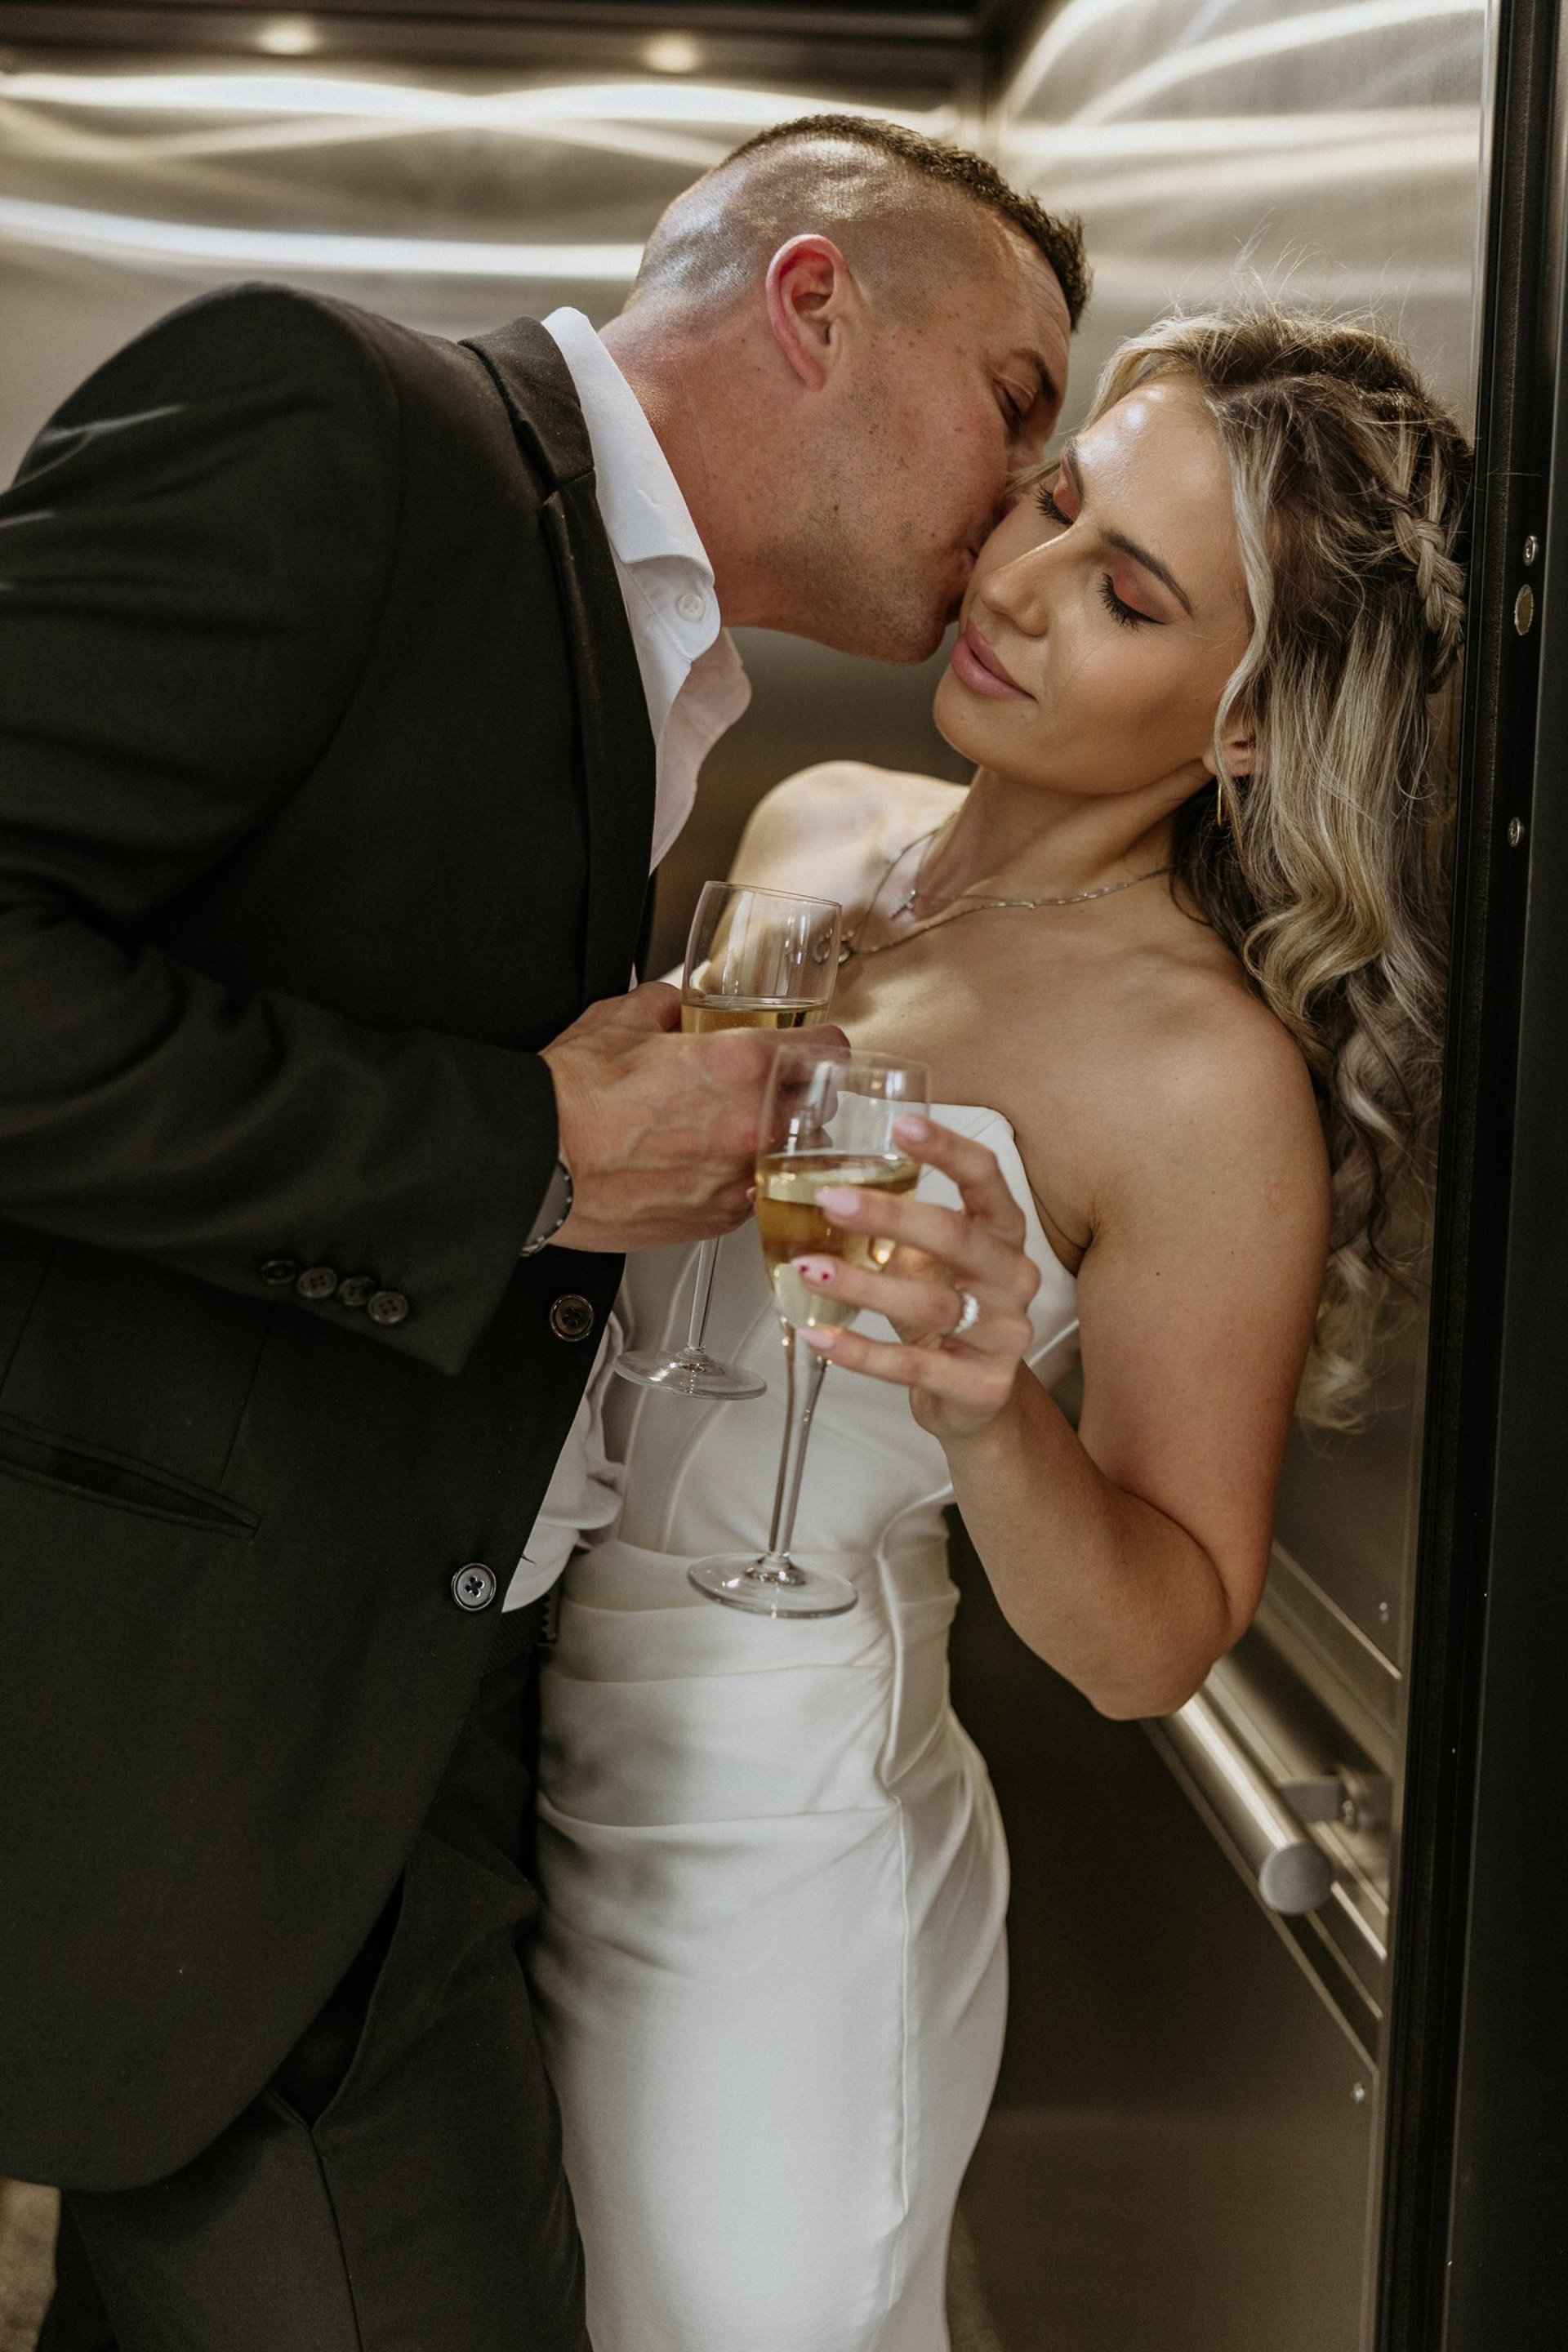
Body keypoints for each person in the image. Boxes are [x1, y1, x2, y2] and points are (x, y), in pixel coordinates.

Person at [0, 118, 1085, 2350]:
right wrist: (520, 1148)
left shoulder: (665, 660)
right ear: (814, 306)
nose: (1031, 493)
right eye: (1018, 397)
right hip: (215, 1741)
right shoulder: (338, 423)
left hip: (418, 1731)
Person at [532, 305, 1469, 2350]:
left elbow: (1160, 1639)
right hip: (522, 1739)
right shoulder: (817, 833)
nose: (1020, 588)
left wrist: (986, 1411)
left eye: (1124, 593)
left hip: (776, 1852)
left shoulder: (1199, 1078)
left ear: (1242, 724)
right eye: (1052, 504)